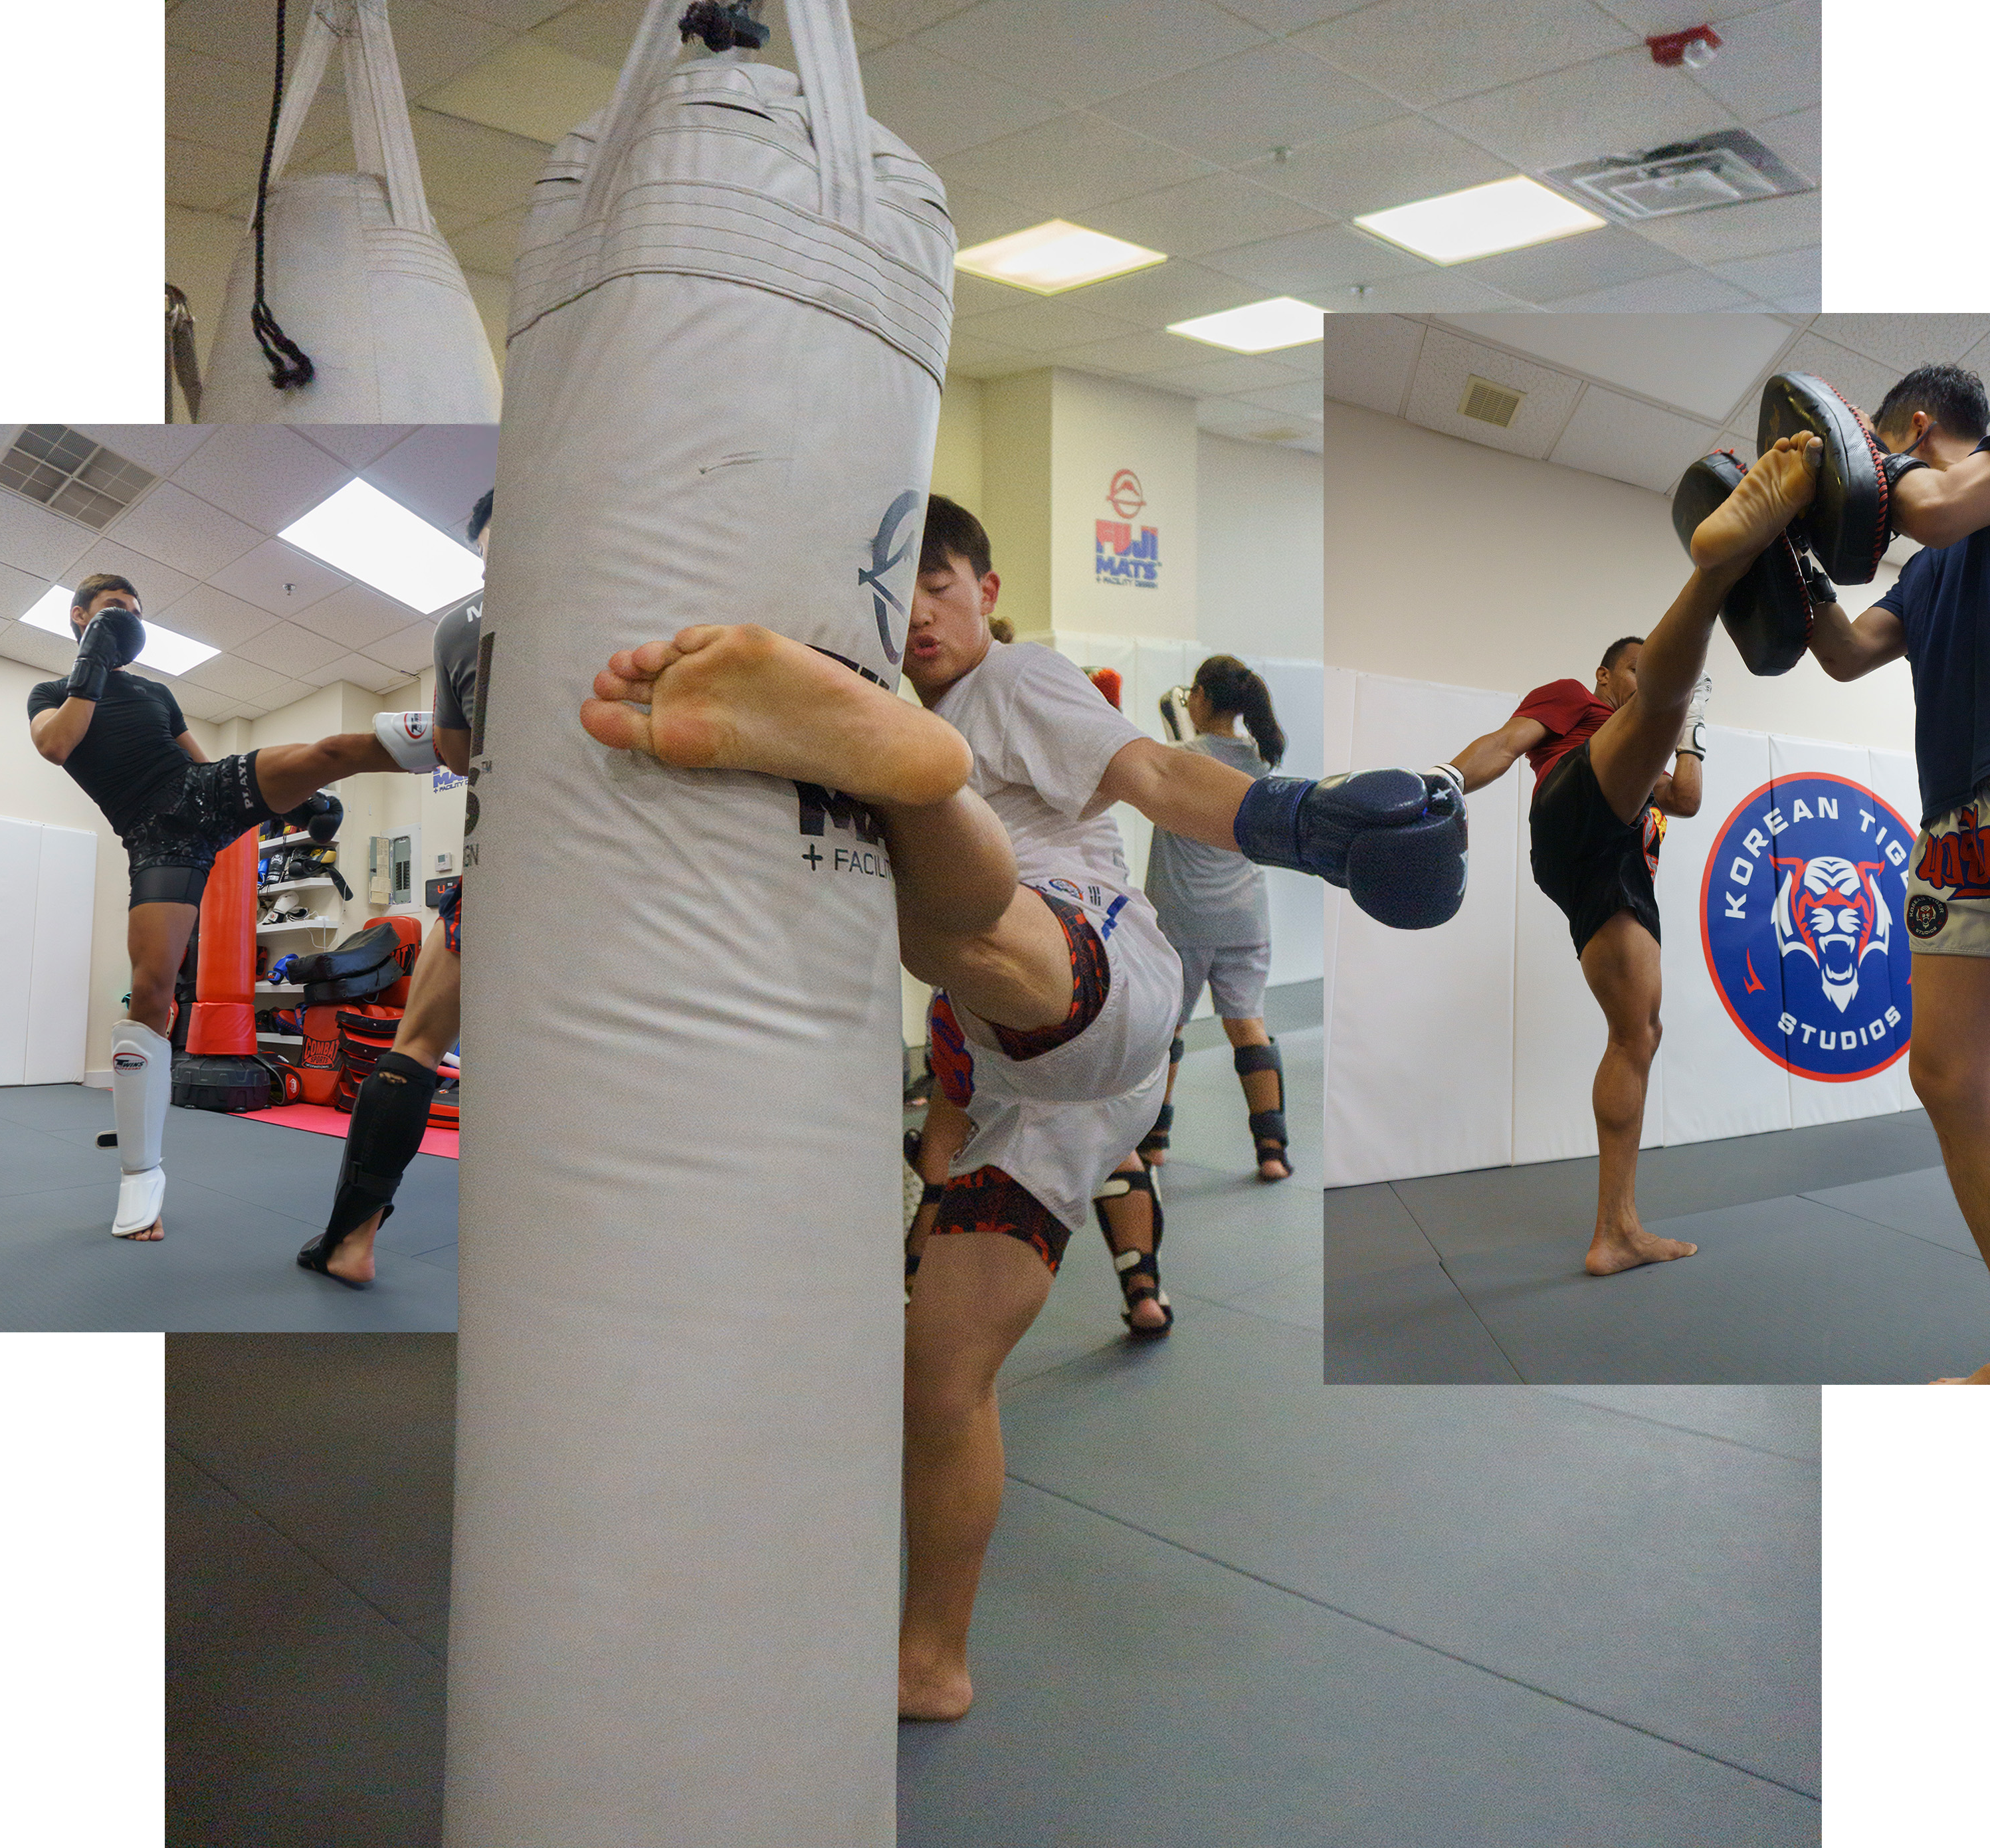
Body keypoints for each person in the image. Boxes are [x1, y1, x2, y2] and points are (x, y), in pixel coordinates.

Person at [577, 491, 1466, 1722]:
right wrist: (934, 1174)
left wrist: (1302, 820)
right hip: (1025, 1087)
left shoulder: (1021, 679)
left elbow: (1155, 773)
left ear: (985, 593)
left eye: (942, 585)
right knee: (939, 1378)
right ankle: (931, 1663)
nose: (922, 613)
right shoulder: (896, 710)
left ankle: (927, 793)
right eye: (902, 594)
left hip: (1099, 968)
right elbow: (956, 1077)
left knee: (961, 925)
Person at [1442, 434, 1821, 1276]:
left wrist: (1691, 729)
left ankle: (1615, 1230)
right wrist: (1441, 785)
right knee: (1664, 703)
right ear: (1605, 678)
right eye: (1636, 670)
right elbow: (1503, 744)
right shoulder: (1572, 701)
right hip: (1575, 808)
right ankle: (1719, 566)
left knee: (1638, 1034)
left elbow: (1686, 798)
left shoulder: (1650, 755)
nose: (1644, 679)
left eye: (1654, 671)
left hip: (1610, 872)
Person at [26, 575, 423, 1241]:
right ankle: (140, 1172)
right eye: (114, 610)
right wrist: (94, 655)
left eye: (134, 612)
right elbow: (56, 745)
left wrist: (287, 802)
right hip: (156, 836)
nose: (127, 620)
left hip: (204, 793)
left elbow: (200, 764)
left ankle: (457, 737)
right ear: (79, 616)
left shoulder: (157, 694)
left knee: (329, 752)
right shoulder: (51, 695)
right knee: (151, 992)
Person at [1796, 364, 1990, 1382]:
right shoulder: (1923, 573)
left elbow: (1938, 504)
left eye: (1872, 449)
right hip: (1955, 825)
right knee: (1947, 1075)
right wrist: (1787, 554)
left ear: (1912, 430)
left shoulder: (1966, 492)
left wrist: (1856, 460)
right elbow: (1841, 651)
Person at [296, 490, 490, 1288]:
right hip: (647, 867)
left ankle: (350, 1243)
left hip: (512, 858)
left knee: (415, 1049)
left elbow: (457, 752)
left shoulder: (463, 625)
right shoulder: (646, 589)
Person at [1141, 657, 1291, 1181]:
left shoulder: (1178, 758)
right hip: (1245, 917)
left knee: (1167, 1030)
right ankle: (1272, 1151)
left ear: (1201, 698)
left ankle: (1154, 1144)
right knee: (1249, 1025)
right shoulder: (1262, 760)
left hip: (1182, 917)